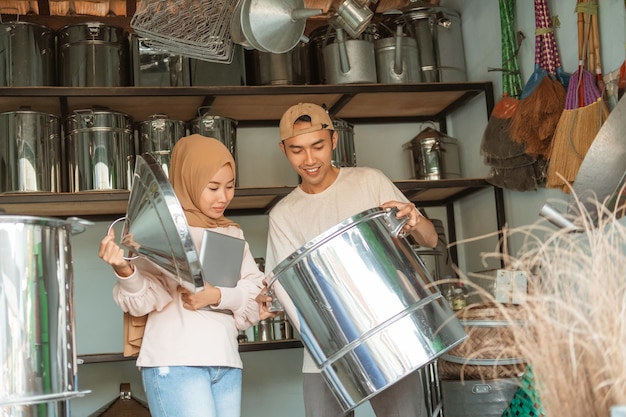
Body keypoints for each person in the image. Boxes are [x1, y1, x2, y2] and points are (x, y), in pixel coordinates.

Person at [260, 102, 439, 417]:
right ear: (283, 150)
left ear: (333, 140)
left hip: (392, 342)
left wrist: (415, 219)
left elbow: (430, 239)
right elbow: (287, 293)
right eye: (297, 150)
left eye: (317, 146)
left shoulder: (370, 181)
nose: (310, 159)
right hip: (327, 355)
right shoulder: (283, 215)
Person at [98, 134, 264, 417]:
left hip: (226, 361)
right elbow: (146, 300)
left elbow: (257, 294)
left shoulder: (232, 232)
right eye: (212, 188)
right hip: (176, 362)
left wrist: (217, 296)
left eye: (229, 186)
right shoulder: (158, 229)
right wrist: (124, 269)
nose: (223, 197)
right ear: (189, 180)